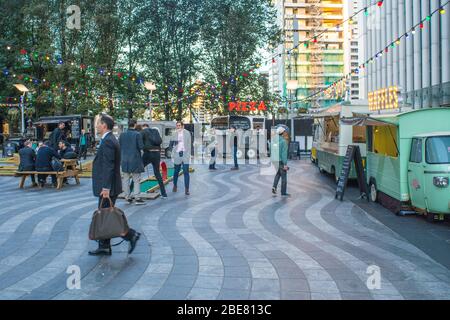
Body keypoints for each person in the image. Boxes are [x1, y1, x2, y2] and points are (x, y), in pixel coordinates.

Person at [89, 114, 141, 256]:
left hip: (108, 186)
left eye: (98, 123)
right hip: (110, 185)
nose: (97, 125)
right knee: (105, 215)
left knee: (107, 215)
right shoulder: (109, 139)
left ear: (104, 125)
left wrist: (105, 188)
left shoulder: (108, 141)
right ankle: (104, 246)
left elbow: (108, 166)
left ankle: (131, 235)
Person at [119, 119, 145, 205]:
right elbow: (141, 147)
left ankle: (127, 197)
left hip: (124, 160)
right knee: (136, 179)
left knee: (125, 179)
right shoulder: (137, 134)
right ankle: (137, 197)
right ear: (135, 124)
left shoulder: (122, 135)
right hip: (135, 160)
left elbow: (119, 147)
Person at [142, 123, 167, 198]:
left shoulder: (143, 133)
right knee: (157, 173)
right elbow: (159, 143)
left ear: (144, 128)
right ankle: (164, 193)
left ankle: (130, 191)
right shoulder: (155, 132)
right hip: (156, 154)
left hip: (147, 154)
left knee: (137, 171)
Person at [170, 121, 191, 195]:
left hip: (185, 154)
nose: (178, 127)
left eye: (179, 125)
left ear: (182, 126)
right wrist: (172, 154)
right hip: (177, 155)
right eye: (177, 126)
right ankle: (175, 185)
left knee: (186, 172)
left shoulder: (187, 133)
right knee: (176, 172)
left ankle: (187, 189)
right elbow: (171, 144)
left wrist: (188, 154)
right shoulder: (174, 133)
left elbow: (189, 144)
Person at [271, 126, 290, 197]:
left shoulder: (273, 140)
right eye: (285, 132)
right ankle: (283, 192)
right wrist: (285, 163)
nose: (285, 133)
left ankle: (274, 187)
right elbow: (284, 154)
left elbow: (270, 149)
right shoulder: (284, 141)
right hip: (281, 161)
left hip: (274, 160)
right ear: (283, 133)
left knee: (278, 174)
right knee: (284, 177)